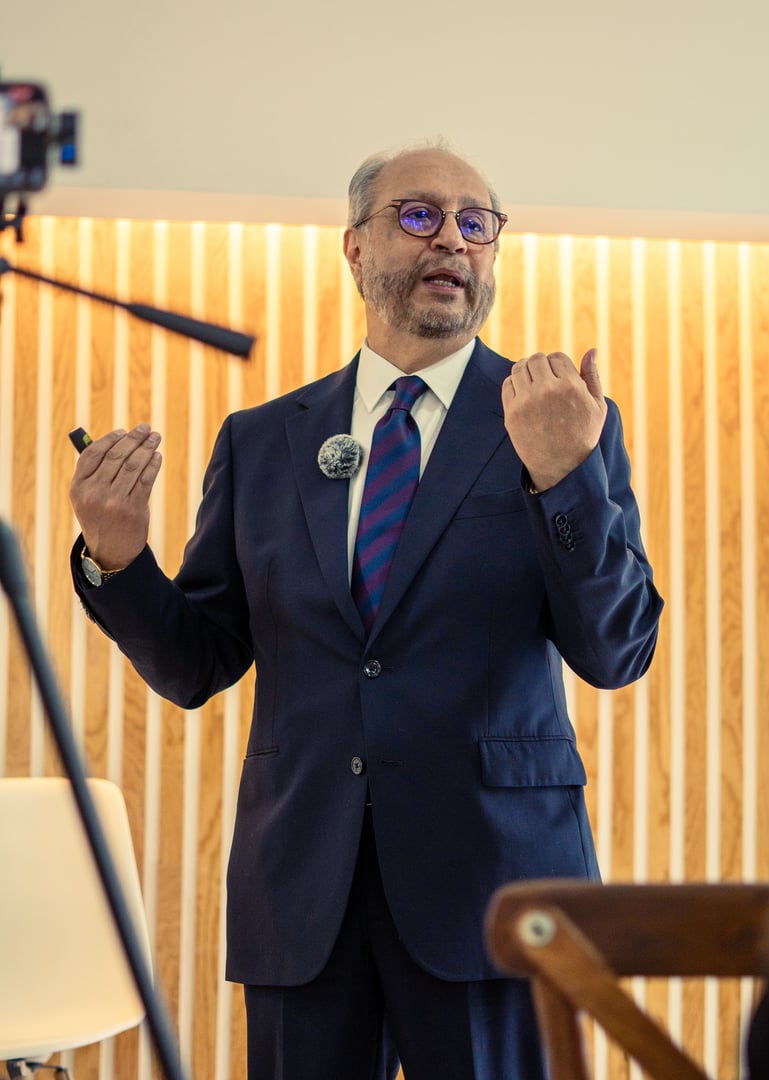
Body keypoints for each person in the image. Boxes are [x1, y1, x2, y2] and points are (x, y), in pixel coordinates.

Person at [69, 141, 664, 1080]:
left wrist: (563, 480)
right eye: (419, 216)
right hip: (305, 888)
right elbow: (197, 663)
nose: (453, 243)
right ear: (354, 247)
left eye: (477, 224)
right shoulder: (264, 441)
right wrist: (118, 559)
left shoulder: (560, 420)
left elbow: (618, 650)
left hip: (493, 885)